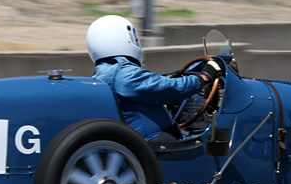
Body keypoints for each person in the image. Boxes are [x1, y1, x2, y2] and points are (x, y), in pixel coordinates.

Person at [87, 15, 223, 142]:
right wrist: (204, 77)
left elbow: (145, 86)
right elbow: (169, 89)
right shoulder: (122, 72)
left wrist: (168, 77)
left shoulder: (105, 72)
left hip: (139, 141)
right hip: (153, 140)